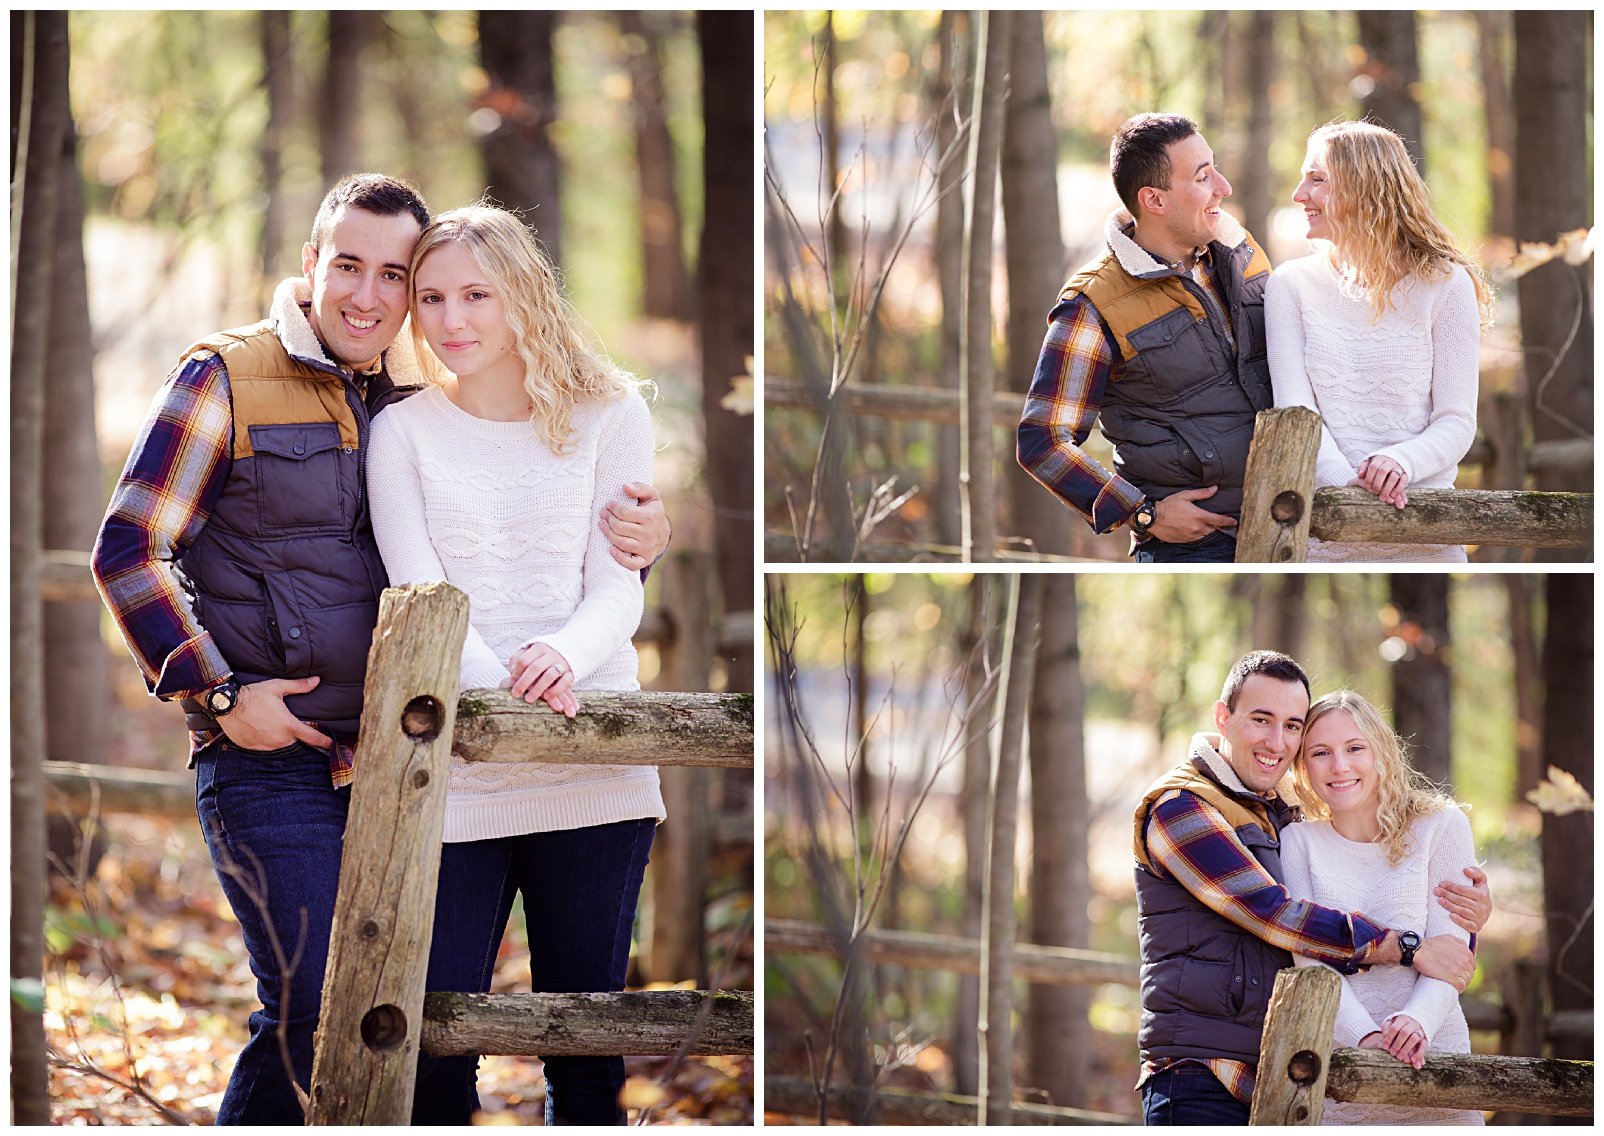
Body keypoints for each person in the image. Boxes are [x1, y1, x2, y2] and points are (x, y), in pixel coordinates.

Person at [90, 174, 671, 1124]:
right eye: (349, 266)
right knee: (325, 1007)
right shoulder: (227, 376)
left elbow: (551, 550)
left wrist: (640, 547)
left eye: (395, 275)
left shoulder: (400, 394)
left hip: (391, 757)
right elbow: (130, 547)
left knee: (394, 1025)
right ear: (310, 265)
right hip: (280, 755)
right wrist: (222, 696)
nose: (373, 295)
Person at [366, 204, 664, 1125]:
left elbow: (621, 587)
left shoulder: (612, 410)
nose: (453, 321)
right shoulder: (403, 432)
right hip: (454, 770)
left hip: (594, 761)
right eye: (432, 298)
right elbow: (420, 587)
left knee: (582, 1053)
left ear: (523, 293)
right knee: (437, 1046)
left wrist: (558, 657)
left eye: (477, 295)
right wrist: (504, 689)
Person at [1133, 651, 1490, 1125]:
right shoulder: (1181, 808)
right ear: (1224, 716)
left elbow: (1447, 946)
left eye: (1292, 725)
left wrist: (1467, 922)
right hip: (1202, 1072)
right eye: (1261, 719)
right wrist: (1406, 949)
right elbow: (1271, 914)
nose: (1276, 741)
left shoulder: (1275, 814)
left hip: (1283, 1074)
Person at [1018, 112, 1273, 563]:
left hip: (1286, 520)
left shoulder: (1242, 253)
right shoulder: (1094, 303)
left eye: (1214, 166)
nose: (1224, 186)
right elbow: (1043, 439)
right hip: (1197, 548)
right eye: (1203, 176)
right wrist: (1143, 514)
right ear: (1153, 199)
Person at [1266, 120, 1489, 561]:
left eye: (1317, 179)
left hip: (1423, 531)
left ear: (1363, 187)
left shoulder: (1446, 284)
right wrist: (1343, 487)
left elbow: (1457, 420)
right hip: (1325, 531)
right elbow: (1296, 411)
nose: (1298, 195)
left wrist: (1401, 462)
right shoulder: (1289, 285)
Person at [1281, 690, 1483, 1125]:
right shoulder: (1297, 843)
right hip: (1342, 1075)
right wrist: (1367, 1039)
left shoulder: (1441, 826)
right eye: (1320, 753)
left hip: (1435, 1061)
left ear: (1382, 751)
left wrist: (1416, 1023)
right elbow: (1311, 958)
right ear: (1302, 767)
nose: (1340, 766)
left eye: (1355, 748)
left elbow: (1452, 952)